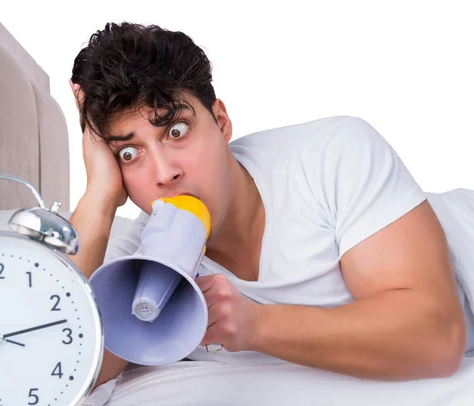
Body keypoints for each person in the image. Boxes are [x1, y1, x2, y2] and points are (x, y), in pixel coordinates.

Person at [66, 21, 473, 387]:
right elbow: (61, 373)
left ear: (221, 121)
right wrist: (98, 199)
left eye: (176, 130)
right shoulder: (138, 260)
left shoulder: (334, 155)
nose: (164, 172)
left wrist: (256, 324)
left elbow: (437, 338)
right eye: (129, 154)